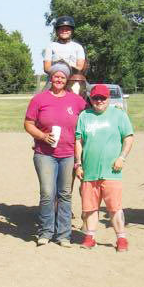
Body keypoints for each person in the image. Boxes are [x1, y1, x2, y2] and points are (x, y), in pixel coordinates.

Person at [24, 67, 87, 246]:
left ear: (66, 80)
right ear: (51, 79)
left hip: (68, 154)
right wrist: (42, 136)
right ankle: (45, 232)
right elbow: (28, 123)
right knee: (47, 193)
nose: (59, 79)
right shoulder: (39, 99)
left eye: (62, 77)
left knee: (65, 194)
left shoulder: (76, 100)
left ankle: (64, 235)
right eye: (56, 76)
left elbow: (88, 117)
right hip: (44, 154)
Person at [75, 84, 135, 252]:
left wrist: (122, 157)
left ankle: (121, 239)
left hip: (112, 171)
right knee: (90, 207)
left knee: (114, 207)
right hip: (89, 170)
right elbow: (78, 141)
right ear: (90, 99)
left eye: (102, 98)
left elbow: (128, 138)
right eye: (95, 98)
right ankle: (90, 237)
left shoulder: (119, 115)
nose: (99, 101)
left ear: (108, 99)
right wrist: (78, 163)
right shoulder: (84, 116)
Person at [42, 16, 86, 81]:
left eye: (67, 29)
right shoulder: (51, 46)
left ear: (72, 31)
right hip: (55, 78)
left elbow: (79, 67)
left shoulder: (78, 47)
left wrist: (67, 71)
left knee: (90, 89)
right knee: (45, 91)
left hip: (73, 77)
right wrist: (59, 73)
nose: (64, 31)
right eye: (62, 29)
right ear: (57, 31)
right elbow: (47, 68)